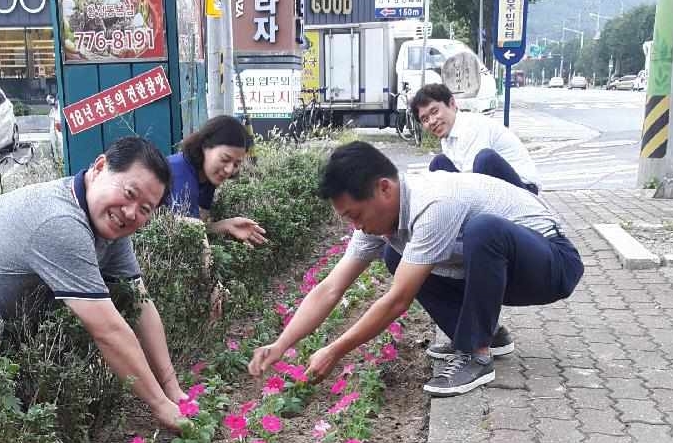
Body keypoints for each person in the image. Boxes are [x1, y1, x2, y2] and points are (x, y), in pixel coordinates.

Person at [0, 136, 187, 429]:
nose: (131, 212)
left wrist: (174, 390)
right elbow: (107, 330)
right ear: (99, 167)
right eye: (129, 194)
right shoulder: (60, 221)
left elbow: (140, 304)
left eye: (145, 209)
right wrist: (160, 406)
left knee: (111, 298)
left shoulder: (107, 223)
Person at [248, 141, 584, 396]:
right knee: (397, 258)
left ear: (384, 187)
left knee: (483, 230)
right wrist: (281, 344)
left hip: (551, 264)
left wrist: (335, 350)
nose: (356, 226)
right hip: (505, 269)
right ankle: (489, 333)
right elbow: (330, 288)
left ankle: (476, 355)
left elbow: (398, 301)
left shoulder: (433, 203)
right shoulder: (380, 220)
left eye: (354, 214)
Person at [411, 83, 541, 195]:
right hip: (493, 187)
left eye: (434, 112)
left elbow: (474, 181)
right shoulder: (447, 136)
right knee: (439, 164)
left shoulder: (471, 126)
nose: (432, 121)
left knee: (485, 159)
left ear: (452, 104)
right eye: (425, 119)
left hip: (524, 190)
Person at [167, 115, 268, 247]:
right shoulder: (179, 172)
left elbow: (195, 228)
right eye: (225, 159)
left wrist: (227, 225)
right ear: (204, 146)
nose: (229, 170)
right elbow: (185, 238)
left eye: (236, 164)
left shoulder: (209, 179)